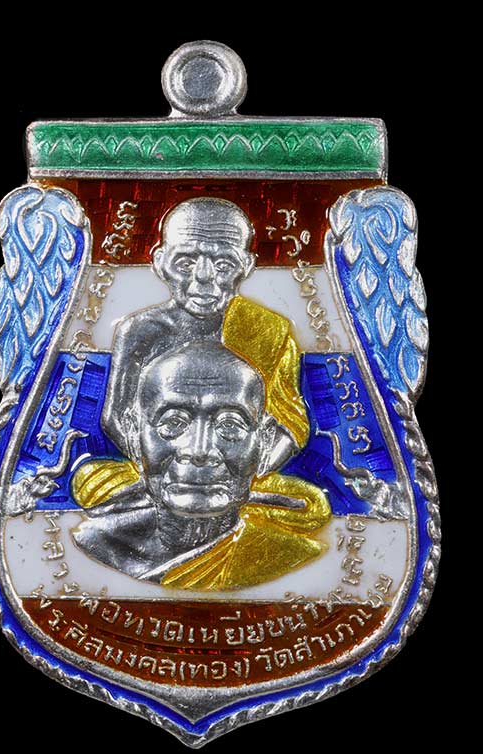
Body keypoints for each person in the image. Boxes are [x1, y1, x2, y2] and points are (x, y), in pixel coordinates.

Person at [72, 342, 331, 589]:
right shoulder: (96, 543)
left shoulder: (292, 557)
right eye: (173, 423)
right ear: (133, 434)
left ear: (264, 441)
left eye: (229, 425)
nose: (199, 451)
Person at [100, 197, 309, 482]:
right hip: (161, 470)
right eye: (185, 262)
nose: (204, 277)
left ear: (247, 266)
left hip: (235, 473)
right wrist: (158, 474)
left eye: (223, 265)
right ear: (160, 262)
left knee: (312, 502)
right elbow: (115, 418)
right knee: (92, 484)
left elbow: (291, 424)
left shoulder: (266, 331)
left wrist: (248, 477)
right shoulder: (140, 331)